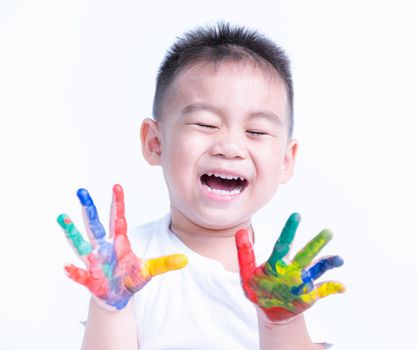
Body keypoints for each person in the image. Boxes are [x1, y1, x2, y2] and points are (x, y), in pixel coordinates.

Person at [57, 22, 345, 350]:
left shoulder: (287, 278)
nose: (230, 146)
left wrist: (283, 322)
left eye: (258, 131)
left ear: (285, 160)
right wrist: (110, 308)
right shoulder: (127, 264)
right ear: (155, 142)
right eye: (205, 124)